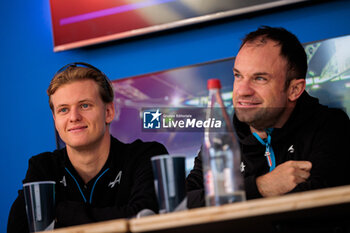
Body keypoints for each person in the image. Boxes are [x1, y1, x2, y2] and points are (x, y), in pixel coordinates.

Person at [186, 26, 350, 208]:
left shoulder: (330, 126)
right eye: (238, 76)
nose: (242, 91)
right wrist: (261, 187)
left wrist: (235, 197)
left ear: (294, 90)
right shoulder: (221, 139)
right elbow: (183, 202)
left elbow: (323, 206)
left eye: (260, 79)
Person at [7, 62, 168, 232]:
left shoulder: (146, 156)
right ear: (55, 120)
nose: (74, 117)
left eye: (84, 105)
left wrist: (61, 211)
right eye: (63, 110)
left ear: (108, 112)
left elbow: (144, 218)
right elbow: (18, 228)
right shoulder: (43, 168)